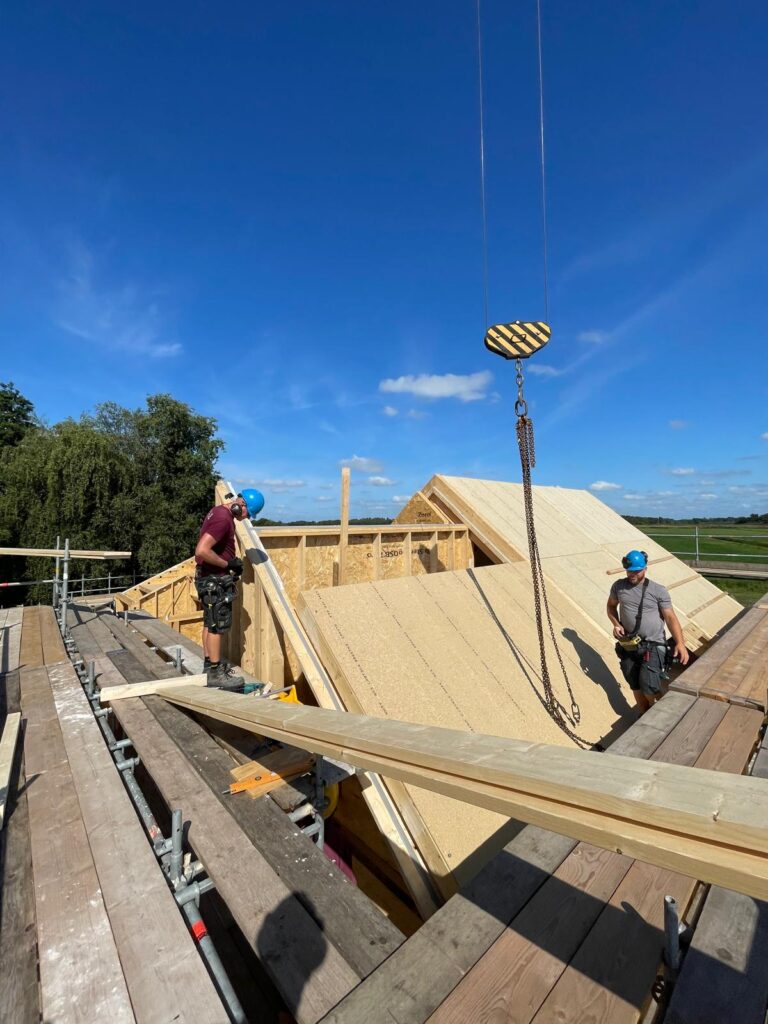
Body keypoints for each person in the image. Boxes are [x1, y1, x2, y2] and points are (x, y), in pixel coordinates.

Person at [607, 549, 690, 714]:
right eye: (630, 571)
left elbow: (670, 617)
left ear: (645, 568)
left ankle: (655, 711)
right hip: (630, 645)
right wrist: (616, 624)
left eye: (637, 571)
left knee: (648, 684)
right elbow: (610, 606)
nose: (632, 574)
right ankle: (643, 714)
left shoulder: (658, 590)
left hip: (653, 643)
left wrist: (680, 643)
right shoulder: (619, 586)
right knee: (634, 683)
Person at [194, 490, 262, 688]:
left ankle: (210, 666)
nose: (247, 518)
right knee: (218, 626)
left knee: (210, 623)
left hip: (208, 578)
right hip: (214, 580)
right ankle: (215, 674)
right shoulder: (223, 519)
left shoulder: (218, 512)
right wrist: (227, 565)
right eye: (248, 514)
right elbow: (202, 550)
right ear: (240, 504)